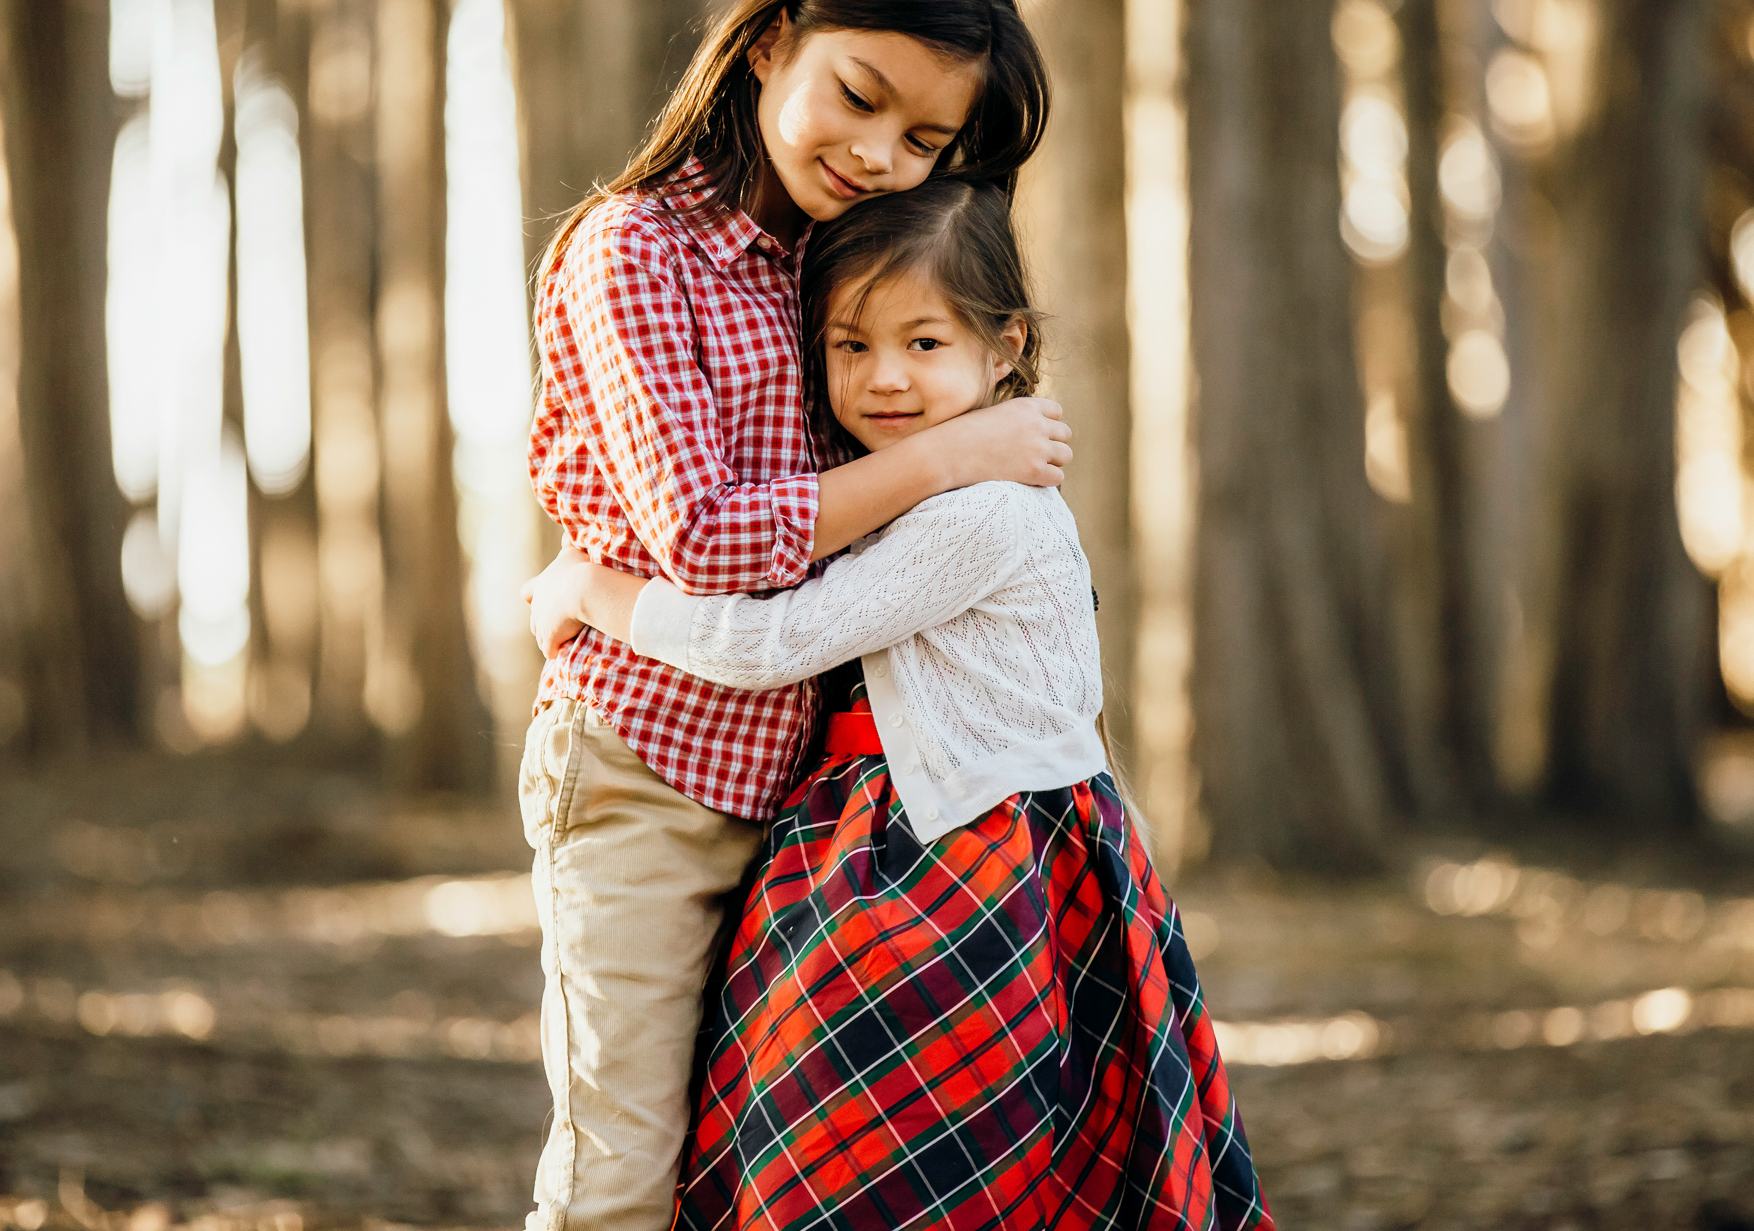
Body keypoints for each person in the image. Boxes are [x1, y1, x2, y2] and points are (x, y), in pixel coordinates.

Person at [526, 180, 1273, 1231]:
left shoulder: (983, 515)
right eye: (851, 347)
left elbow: (776, 640)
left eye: (925, 344)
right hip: (887, 852)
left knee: (890, 1157)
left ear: (1005, 347)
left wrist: (590, 592)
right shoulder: (900, 492)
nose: (885, 379)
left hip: (960, 876)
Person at [516, 0, 1065, 1231]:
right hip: (648, 777)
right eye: (859, 97)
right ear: (769, 43)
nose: (880, 154)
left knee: (755, 1179)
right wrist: (953, 458)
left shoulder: (848, 257)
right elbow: (702, 537)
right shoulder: (638, 248)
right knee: (620, 1174)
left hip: (816, 811)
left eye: (924, 139)